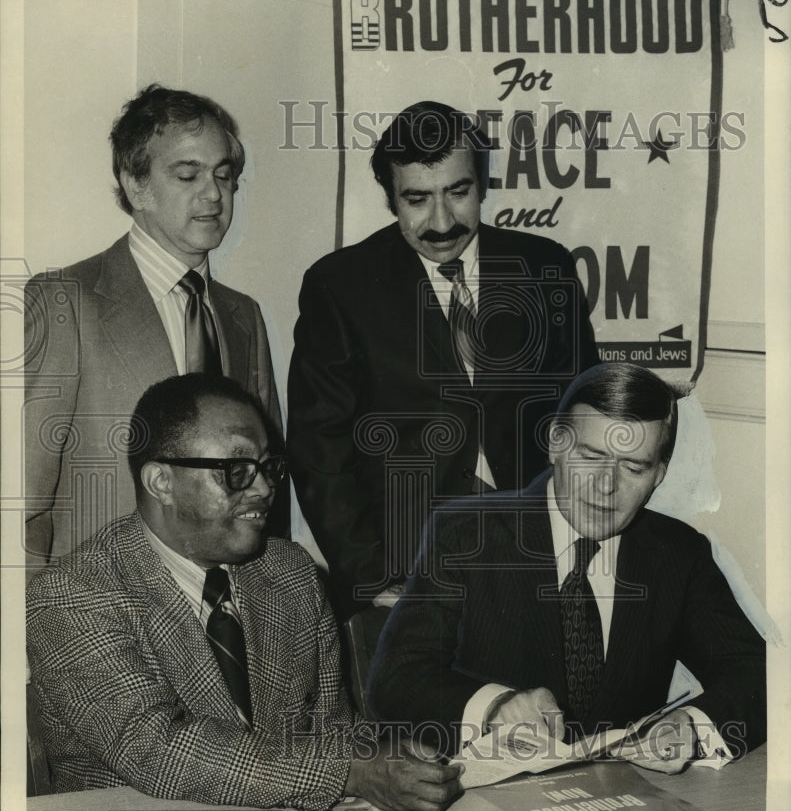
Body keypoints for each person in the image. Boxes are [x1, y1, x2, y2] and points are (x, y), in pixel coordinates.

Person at [26, 374, 463, 811]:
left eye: (268, 467)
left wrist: (389, 759)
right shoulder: (70, 595)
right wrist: (351, 770)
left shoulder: (292, 573)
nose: (265, 489)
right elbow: (156, 750)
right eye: (236, 471)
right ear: (162, 482)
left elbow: (335, 732)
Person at [366, 363, 766, 774]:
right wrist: (494, 707)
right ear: (556, 443)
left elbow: (757, 673)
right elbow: (395, 679)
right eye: (591, 456)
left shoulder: (678, 554)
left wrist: (692, 727)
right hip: (493, 805)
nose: (606, 486)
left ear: (658, 476)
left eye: (634, 468)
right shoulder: (468, 534)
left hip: (625, 805)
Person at [287, 101, 598, 621]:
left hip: (537, 559)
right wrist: (371, 577)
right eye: (417, 199)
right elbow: (319, 446)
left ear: (482, 185)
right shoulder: (339, 286)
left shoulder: (547, 266)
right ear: (391, 199)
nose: (442, 221)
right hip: (407, 572)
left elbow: (583, 412)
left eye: (459, 192)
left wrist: (579, 541)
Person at [24, 84, 284, 572]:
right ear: (136, 185)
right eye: (188, 175)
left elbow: (263, 485)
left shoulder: (243, 316)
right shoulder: (65, 300)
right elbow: (20, 501)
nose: (213, 194)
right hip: (97, 610)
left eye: (224, 176)